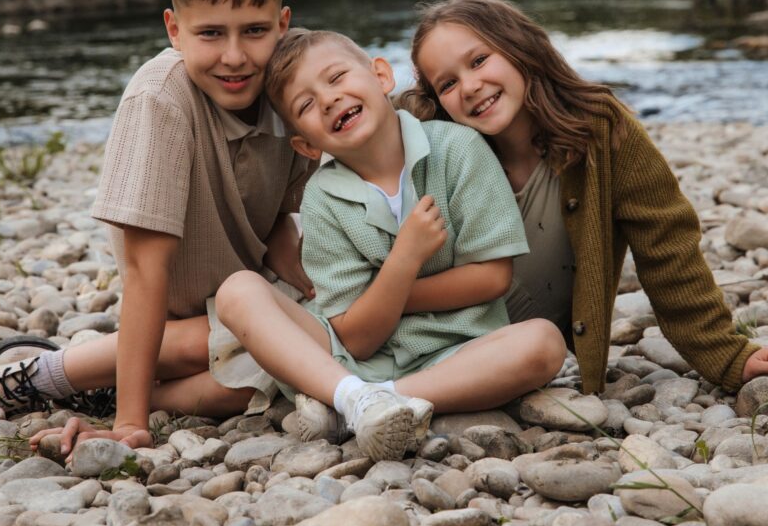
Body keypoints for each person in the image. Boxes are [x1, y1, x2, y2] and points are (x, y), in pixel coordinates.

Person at [0, 0, 315, 452]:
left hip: (248, 296)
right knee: (250, 346)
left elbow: (279, 213)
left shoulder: (292, 82)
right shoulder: (160, 100)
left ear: (282, 22)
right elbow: (146, 270)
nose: (235, 56)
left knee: (272, 374)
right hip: (179, 313)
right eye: (210, 33)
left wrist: (304, 277)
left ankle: (97, 389)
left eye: (254, 30)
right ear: (174, 30)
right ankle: (28, 379)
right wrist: (130, 425)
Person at [402, 0, 768, 396]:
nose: (470, 86)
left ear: (519, 48)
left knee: (539, 346)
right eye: (448, 83)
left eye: (478, 60)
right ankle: (382, 391)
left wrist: (726, 354)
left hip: (513, 353)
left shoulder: (600, 130)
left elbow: (666, 244)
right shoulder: (428, 150)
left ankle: (393, 394)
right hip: (416, 342)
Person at [211, 28, 567, 461]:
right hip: (343, 358)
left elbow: (492, 278)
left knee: (544, 343)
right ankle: (352, 396)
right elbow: (356, 338)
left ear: (381, 75)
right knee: (237, 292)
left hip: (458, 353)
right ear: (306, 145)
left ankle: (367, 402)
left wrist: (386, 293)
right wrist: (404, 258)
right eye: (305, 105)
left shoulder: (458, 149)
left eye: (336, 77)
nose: (328, 99)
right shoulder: (321, 197)